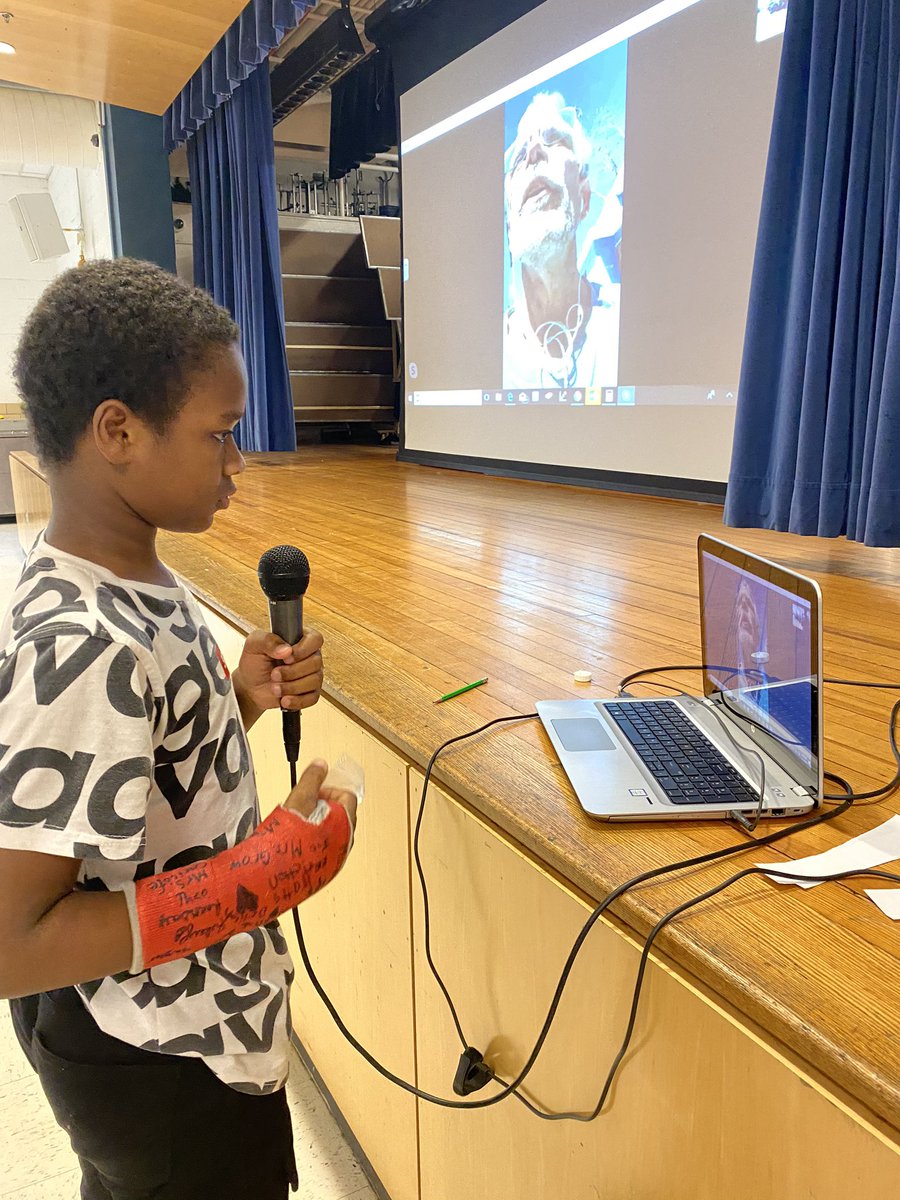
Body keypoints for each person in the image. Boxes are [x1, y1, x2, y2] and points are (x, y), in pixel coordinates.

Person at [0, 259, 359, 1199]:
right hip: (154, 1063)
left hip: (186, 1026)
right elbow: (11, 943)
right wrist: (251, 883)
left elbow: (137, 779)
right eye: (222, 437)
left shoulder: (125, 569)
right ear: (116, 430)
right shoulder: (80, 646)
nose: (238, 467)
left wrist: (233, 697)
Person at [503, 91, 621, 390]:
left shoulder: (628, 324)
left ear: (583, 198)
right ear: (508, 229)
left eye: (553, 139)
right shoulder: (477, 352)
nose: (533, 153)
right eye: (518, 157)